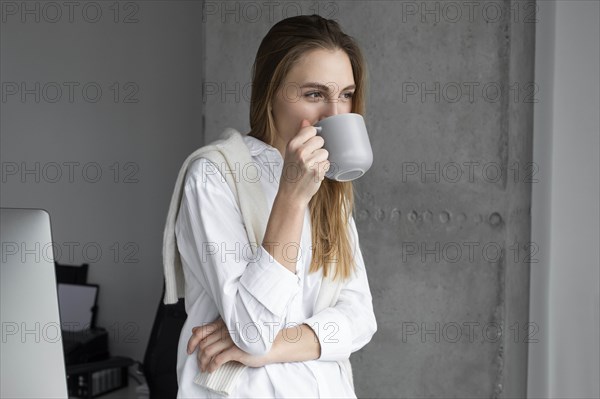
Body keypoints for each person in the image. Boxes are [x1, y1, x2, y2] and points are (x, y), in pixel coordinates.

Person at [170, 14, 377, 398]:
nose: (335, 114)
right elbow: (251, 331)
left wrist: (275, 348)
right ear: (270, 93)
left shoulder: (331, 185)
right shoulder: (215, 176)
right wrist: (292, 198)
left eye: (346, 94)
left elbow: (361, 319)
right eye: (314, 94)